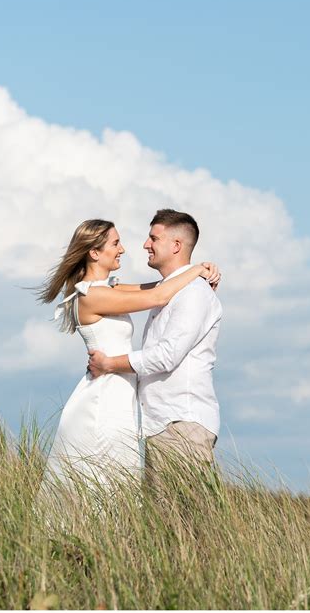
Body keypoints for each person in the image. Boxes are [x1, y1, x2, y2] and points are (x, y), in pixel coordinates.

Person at [36, 218, 220, 489]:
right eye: (115, 243)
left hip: (122, 395)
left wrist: (199, 272)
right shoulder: (91, 296)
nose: (123, 249)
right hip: (105, 392)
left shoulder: (107, 289)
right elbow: (158, 297)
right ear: (95, 253)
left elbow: (159, 287)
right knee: (103, 479)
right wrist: (197, 270)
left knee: (117, 481)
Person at [87, 209, 222, 489]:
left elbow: (166, 356)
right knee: (166, 522)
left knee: (185, 522)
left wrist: (109, 364)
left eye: (153, 238)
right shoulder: (172, 289)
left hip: (181, 423)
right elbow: (113, 288)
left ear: (176, 246)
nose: (145, 244)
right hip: (161, 424)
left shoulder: (195, 293)